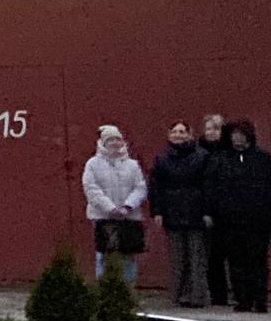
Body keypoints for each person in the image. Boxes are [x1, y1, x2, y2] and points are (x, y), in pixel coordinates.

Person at [202, 119, 271, 315]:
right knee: (236, 261)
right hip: (230, 221)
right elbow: (210, 188)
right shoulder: (221, 160)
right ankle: (242, 299)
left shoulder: (263, 159)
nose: (237, 139)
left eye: (241, 135)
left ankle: (260, 299)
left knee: (258, 260)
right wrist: (211, 211)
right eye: (234, 135)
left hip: (258, 221)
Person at [147, 120, 211, 309]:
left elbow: (208, 186)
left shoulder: (202, 156)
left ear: (189, 135)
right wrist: (157, 211)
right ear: (169, 135)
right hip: (172, 213)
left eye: (182, 132)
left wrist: (207, 211)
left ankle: (197, 296)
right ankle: (178, 296)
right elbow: (155, 187)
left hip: (196, 212)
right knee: (177, 258)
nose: (178, 135)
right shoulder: (161, 159)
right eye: (174, 132)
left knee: (196, 256)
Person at [82, 125, 148, 286]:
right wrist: (110, 208)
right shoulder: (92, 164)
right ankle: (104, 288)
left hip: (129, 217)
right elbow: (91, 188)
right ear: (103, 143)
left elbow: (140, 188)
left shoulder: (132, 165)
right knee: (104, 253)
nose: (114, 143)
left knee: (128, 254)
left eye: (117, 139)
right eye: (110, 140)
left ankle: (128, 289)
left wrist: (128, 206)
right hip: (103, 217)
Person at [197, 113, 232, 308]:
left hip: (230, 211)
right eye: (208, 128)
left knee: (233, 254)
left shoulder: (231, 152)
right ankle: (218, 295)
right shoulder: (199, 153)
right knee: (213, 256)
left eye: (216, 128)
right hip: (208, 211)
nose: (211, 132)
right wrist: (205, 211)